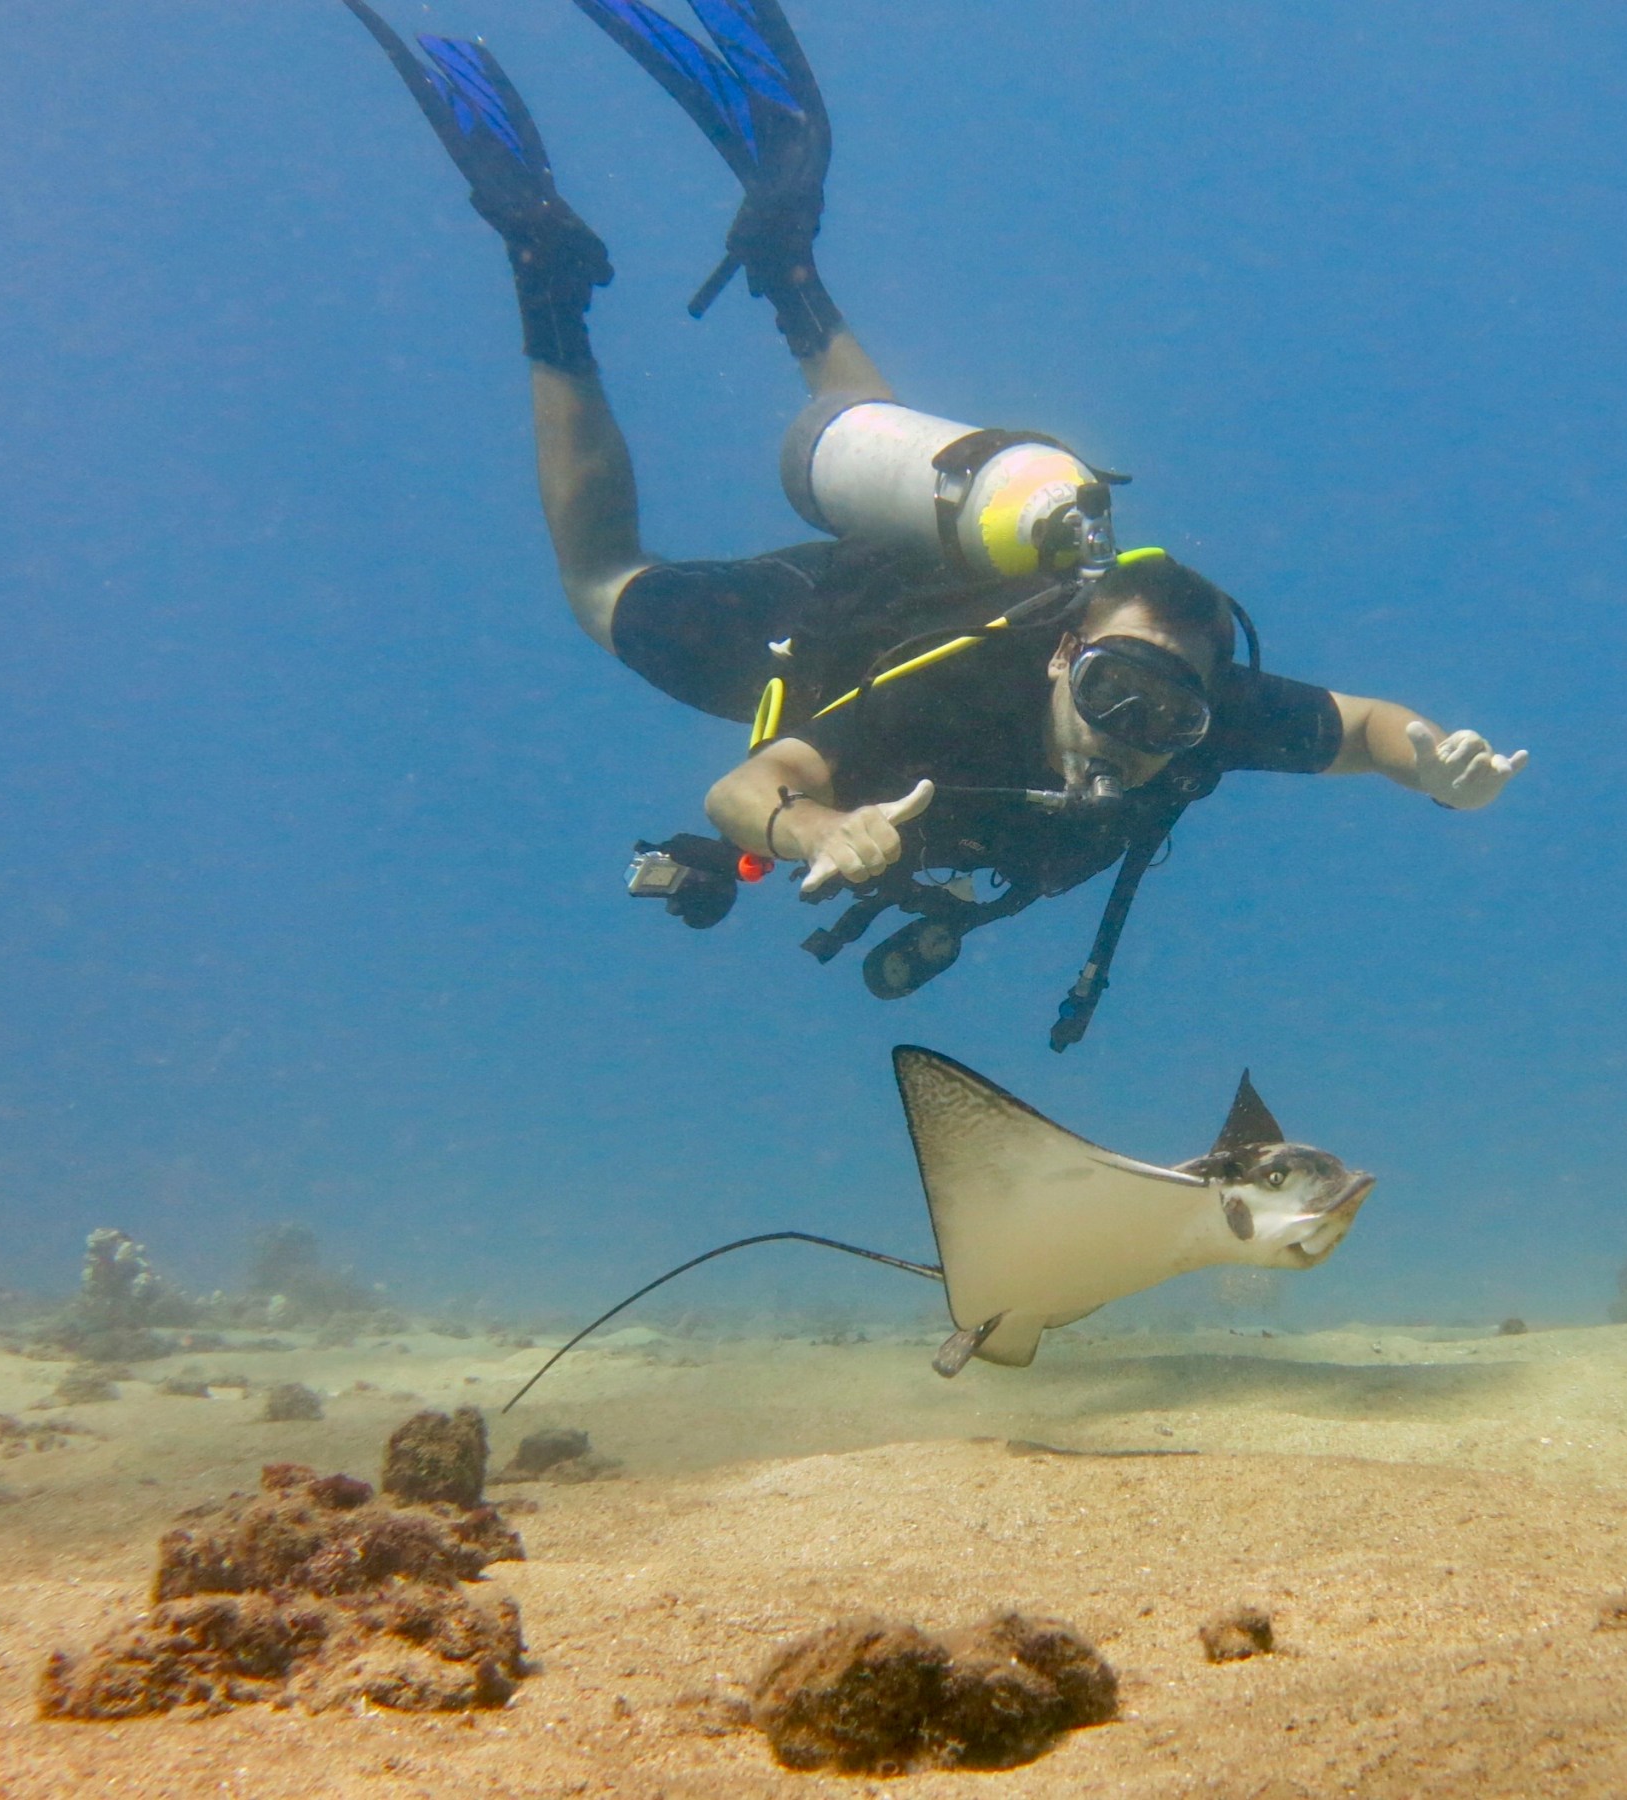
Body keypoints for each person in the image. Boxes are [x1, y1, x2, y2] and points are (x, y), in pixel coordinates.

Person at [342, 0, 1528, 1044]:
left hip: (923, 558)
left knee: (895, 497)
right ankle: (548, 275)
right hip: (802, 637)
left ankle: (786, 262)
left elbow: (1368, 729)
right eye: (1114, 689)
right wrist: (816, 831)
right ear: (1062, 653)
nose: (1134, 732)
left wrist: (1439, 769)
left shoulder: (1197, 720)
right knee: (599, 583)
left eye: (1170, 714)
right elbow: (744, 790)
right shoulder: (964, 692)